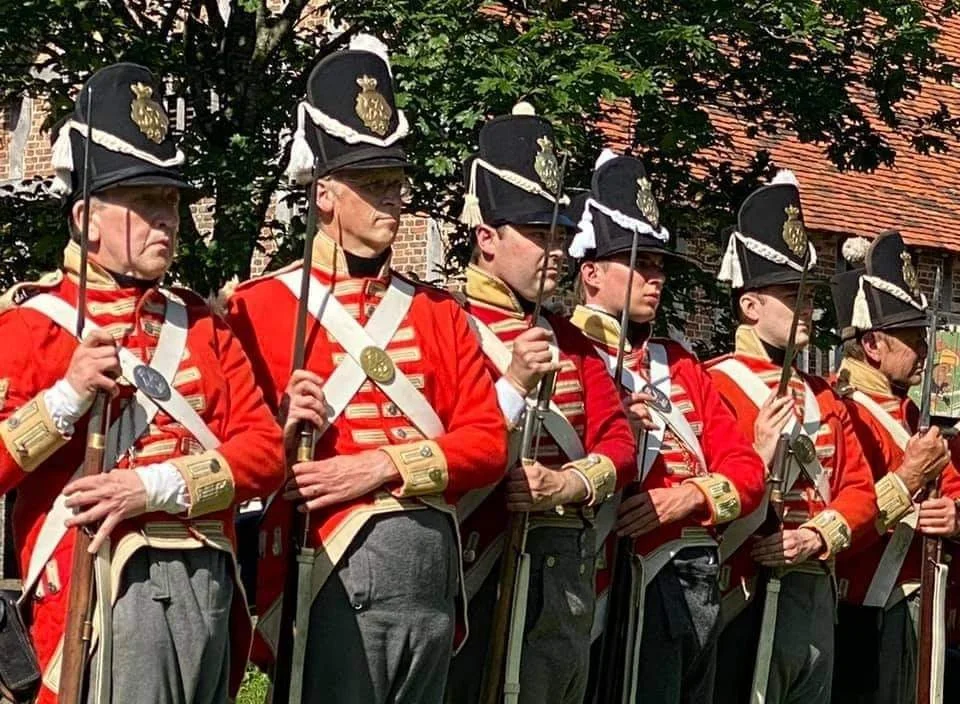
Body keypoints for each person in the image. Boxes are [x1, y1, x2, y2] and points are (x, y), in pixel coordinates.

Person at [224, 36, 508, 703]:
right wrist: (279, 427)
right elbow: (233, 445)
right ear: (325, 194)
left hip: (429, 570)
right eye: (372, 185)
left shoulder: (438, 312)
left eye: (394, 183)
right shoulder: (260, 307)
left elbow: (488, 442)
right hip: (326, 559)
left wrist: (379, 466)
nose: (392, 199)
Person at [0, 62, 285, 703]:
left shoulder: (201, 324)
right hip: (100, 585)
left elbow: (265, 453)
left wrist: (152, 486)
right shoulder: (29, 324)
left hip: (208, 576)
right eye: (143, 202)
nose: (166, 220)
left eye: (170, 201)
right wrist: (65, 399)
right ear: (86, 218)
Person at [445, 109, 635, 704]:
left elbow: (618, 443)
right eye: (538, 234)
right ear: (487, 237)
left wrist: (566, 484)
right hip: (470, 565)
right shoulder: (445, 321)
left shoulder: (571, 340)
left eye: (559, 236)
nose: (556, 251)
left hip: (558, 570)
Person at [568, 149, 765, 703]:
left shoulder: (677, 362)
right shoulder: (571, 352)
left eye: (659, 266)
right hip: (618, 577)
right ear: (591, 273)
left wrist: (689, 498)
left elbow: (746, 471)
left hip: (696, 571)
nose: (655, 279)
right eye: (640, 264)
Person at [706, 170, 876, 704]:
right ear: (750, 305)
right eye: (791, 294)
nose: (808, 308)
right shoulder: (714, 384)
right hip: (741, 585)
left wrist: (817, 536)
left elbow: (859, 490)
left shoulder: (824, 395)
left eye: (808, 295)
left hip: (812, 585)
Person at [829, 232, 956, 704]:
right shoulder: (836, 408)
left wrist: (955, 518)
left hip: (914, 603)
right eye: (910, 336)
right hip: (854, 606)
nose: (924, 347)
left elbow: (954, 490)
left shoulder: (913, 414)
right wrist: (909, 477)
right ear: (873, 344)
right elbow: (841, 512)